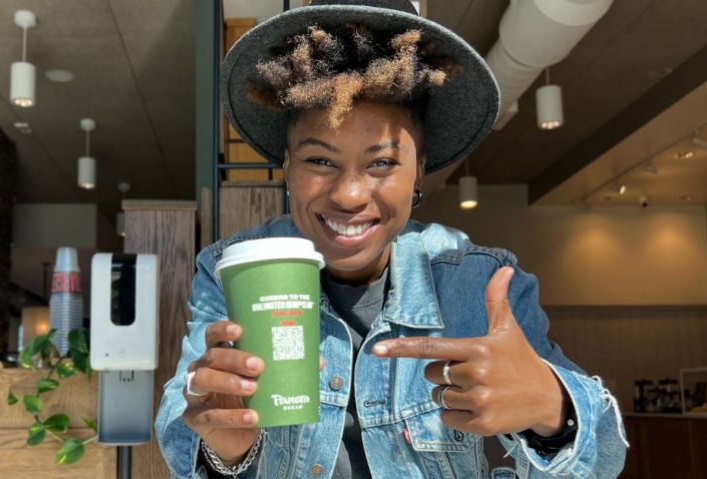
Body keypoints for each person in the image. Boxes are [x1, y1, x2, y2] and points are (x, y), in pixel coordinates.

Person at [156, 1, 628, 477]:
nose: (349, 194)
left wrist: (552, 411)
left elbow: (603, 459)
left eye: (381, 163)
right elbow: (184, 429)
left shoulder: (481, 281)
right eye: (320, 161)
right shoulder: (229, 270)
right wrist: (223, 450)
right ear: (287, 165)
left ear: (419, 171)